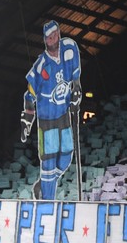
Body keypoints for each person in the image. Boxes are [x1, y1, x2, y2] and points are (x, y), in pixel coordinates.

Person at [20, 20, 82, 200]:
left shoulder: (70, 48)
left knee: (66, 157)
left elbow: (76, 77)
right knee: (48, 162)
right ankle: (47, 202)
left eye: (54, 35)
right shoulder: (41, 66)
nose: (52, 39)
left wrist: (77, 90)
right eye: (48, 37)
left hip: (63, 114)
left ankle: (42, 183)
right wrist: (27, 120)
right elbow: (29, 95)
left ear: (59, 34)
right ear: (45, 41)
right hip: (46, 121)